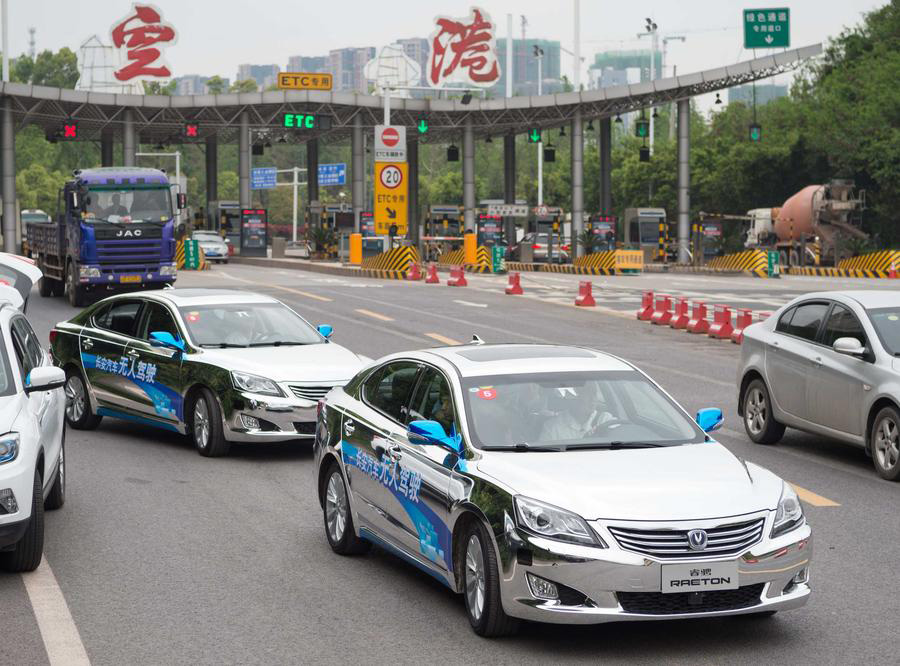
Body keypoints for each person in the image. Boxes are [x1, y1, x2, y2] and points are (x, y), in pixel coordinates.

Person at [539, 384, 614, 442]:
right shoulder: (552, 427)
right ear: (574, 398)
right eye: (587, 394)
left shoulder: (605, 419)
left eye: (594, 394)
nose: (593, 399)